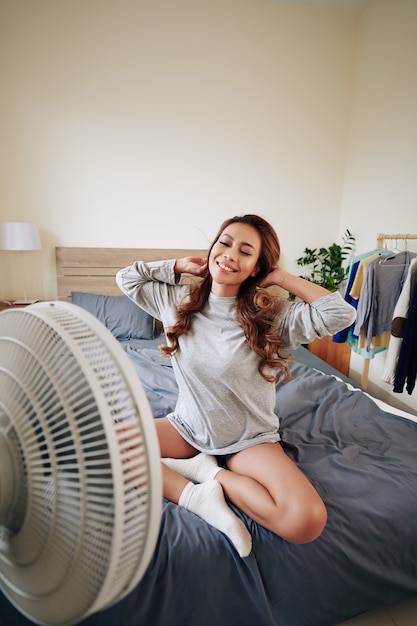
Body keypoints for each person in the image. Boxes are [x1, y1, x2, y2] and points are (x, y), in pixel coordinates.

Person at [116, 214, 356, 557]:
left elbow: (340, 314)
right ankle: (194, 495)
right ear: (212, 248)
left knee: (306, 521)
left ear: (257, 267)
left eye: (245, 251)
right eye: (224, 243)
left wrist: (283, 278)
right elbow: (127, 278)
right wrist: (178, 265)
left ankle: (210, 475)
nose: (229, 254)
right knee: (101, 448)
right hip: (187, 427)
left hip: (248, 439)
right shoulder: (178, 299)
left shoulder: (272, 315)